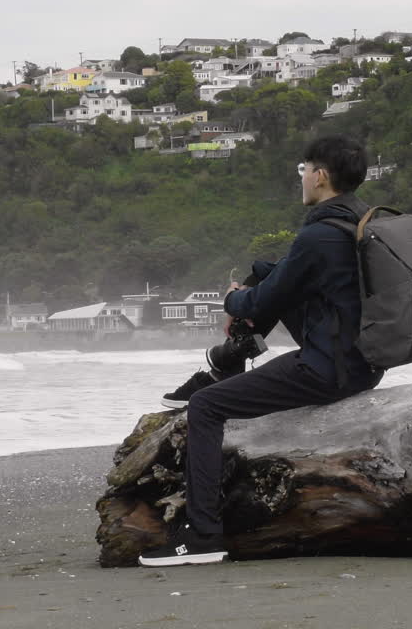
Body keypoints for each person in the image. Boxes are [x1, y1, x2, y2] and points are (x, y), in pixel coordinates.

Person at [139, 136, 387, 567]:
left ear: (321, 176)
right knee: (265, 273)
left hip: (329, 370)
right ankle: (226, 364)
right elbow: (280, 285)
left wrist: (232, 299)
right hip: (362, 360)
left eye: (304, 169)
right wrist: (255, 288)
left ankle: (202, 536)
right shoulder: (358, 219)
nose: (303, 178)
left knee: (204, 408)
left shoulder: (320, 234)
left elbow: (257, 304)